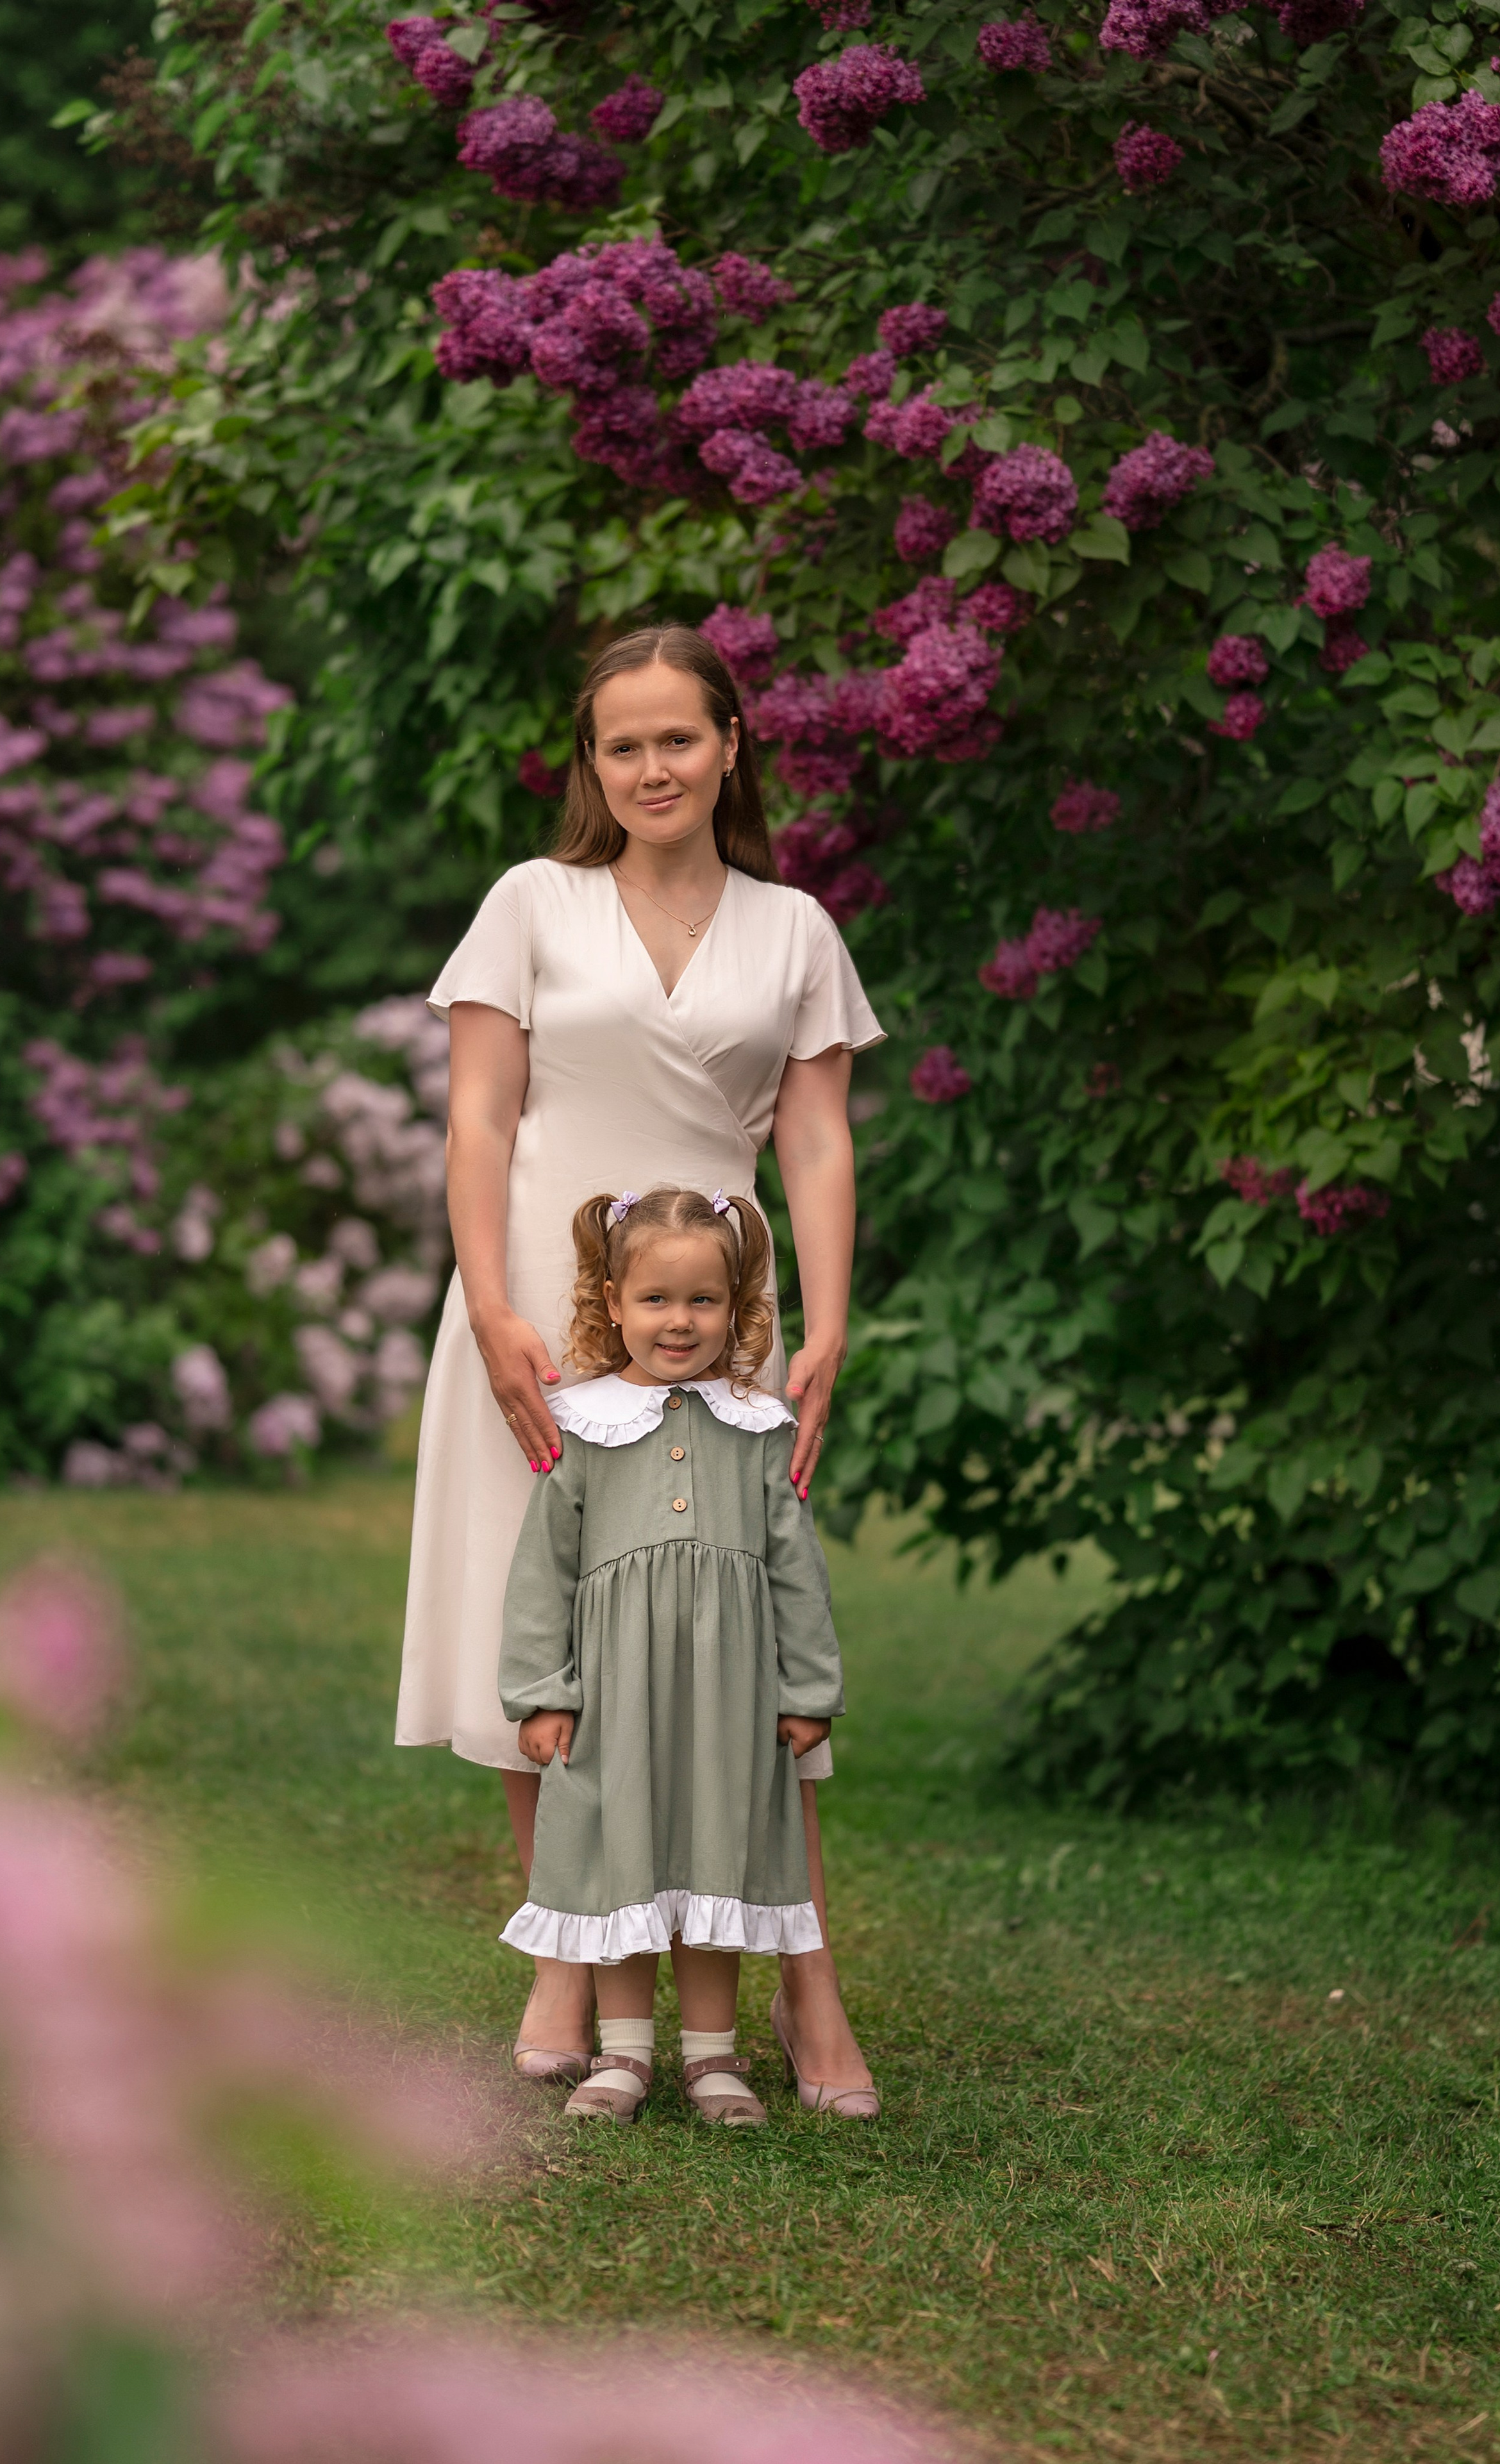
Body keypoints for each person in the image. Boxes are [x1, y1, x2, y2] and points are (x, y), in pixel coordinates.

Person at [396, 621, 883, 2115]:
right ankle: (566, 1953)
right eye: (622, 744)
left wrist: (824, 1321)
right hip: (540, 1313)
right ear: (591, 764)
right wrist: (492, 1303)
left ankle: (804, 1983)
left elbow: (813, 1137)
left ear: (731, 743)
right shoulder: (530, 904)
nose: (652, 766)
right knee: (543, 1617)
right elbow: (480, 1119)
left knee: (742, 1635)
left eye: (678, 736)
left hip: (713, 1320)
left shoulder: (793, 928)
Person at [499, 1185, 847, 2126]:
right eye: (656, 1299)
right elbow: (543, 1571)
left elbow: (796, 1568)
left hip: (730, 1696)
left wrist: (808, 1688)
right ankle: (624, 2054)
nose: (680, 1321)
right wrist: (543, 1691)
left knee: (713, 1855)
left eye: (703, 1300)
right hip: (617, 1695)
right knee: (625, 1859)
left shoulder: (758, 1427)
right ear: (613, 1303)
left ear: (737, 1308)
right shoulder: (581, 1424)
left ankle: (712, 2058)